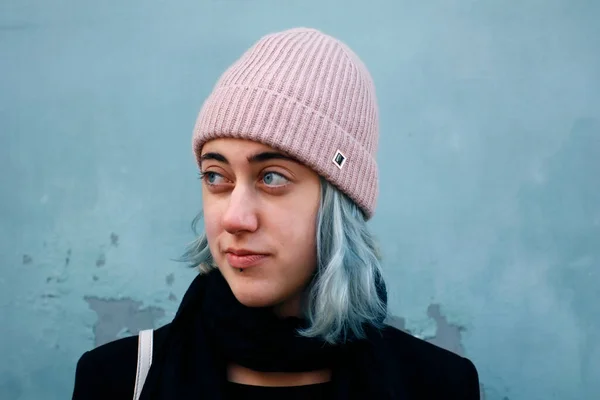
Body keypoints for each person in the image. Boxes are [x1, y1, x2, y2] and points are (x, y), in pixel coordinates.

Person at [72, 27, 480, 399]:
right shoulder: (120, 379)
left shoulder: (437, 386)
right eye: (216, 176)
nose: (235, 218)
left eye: (272, 178)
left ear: (339, 201)